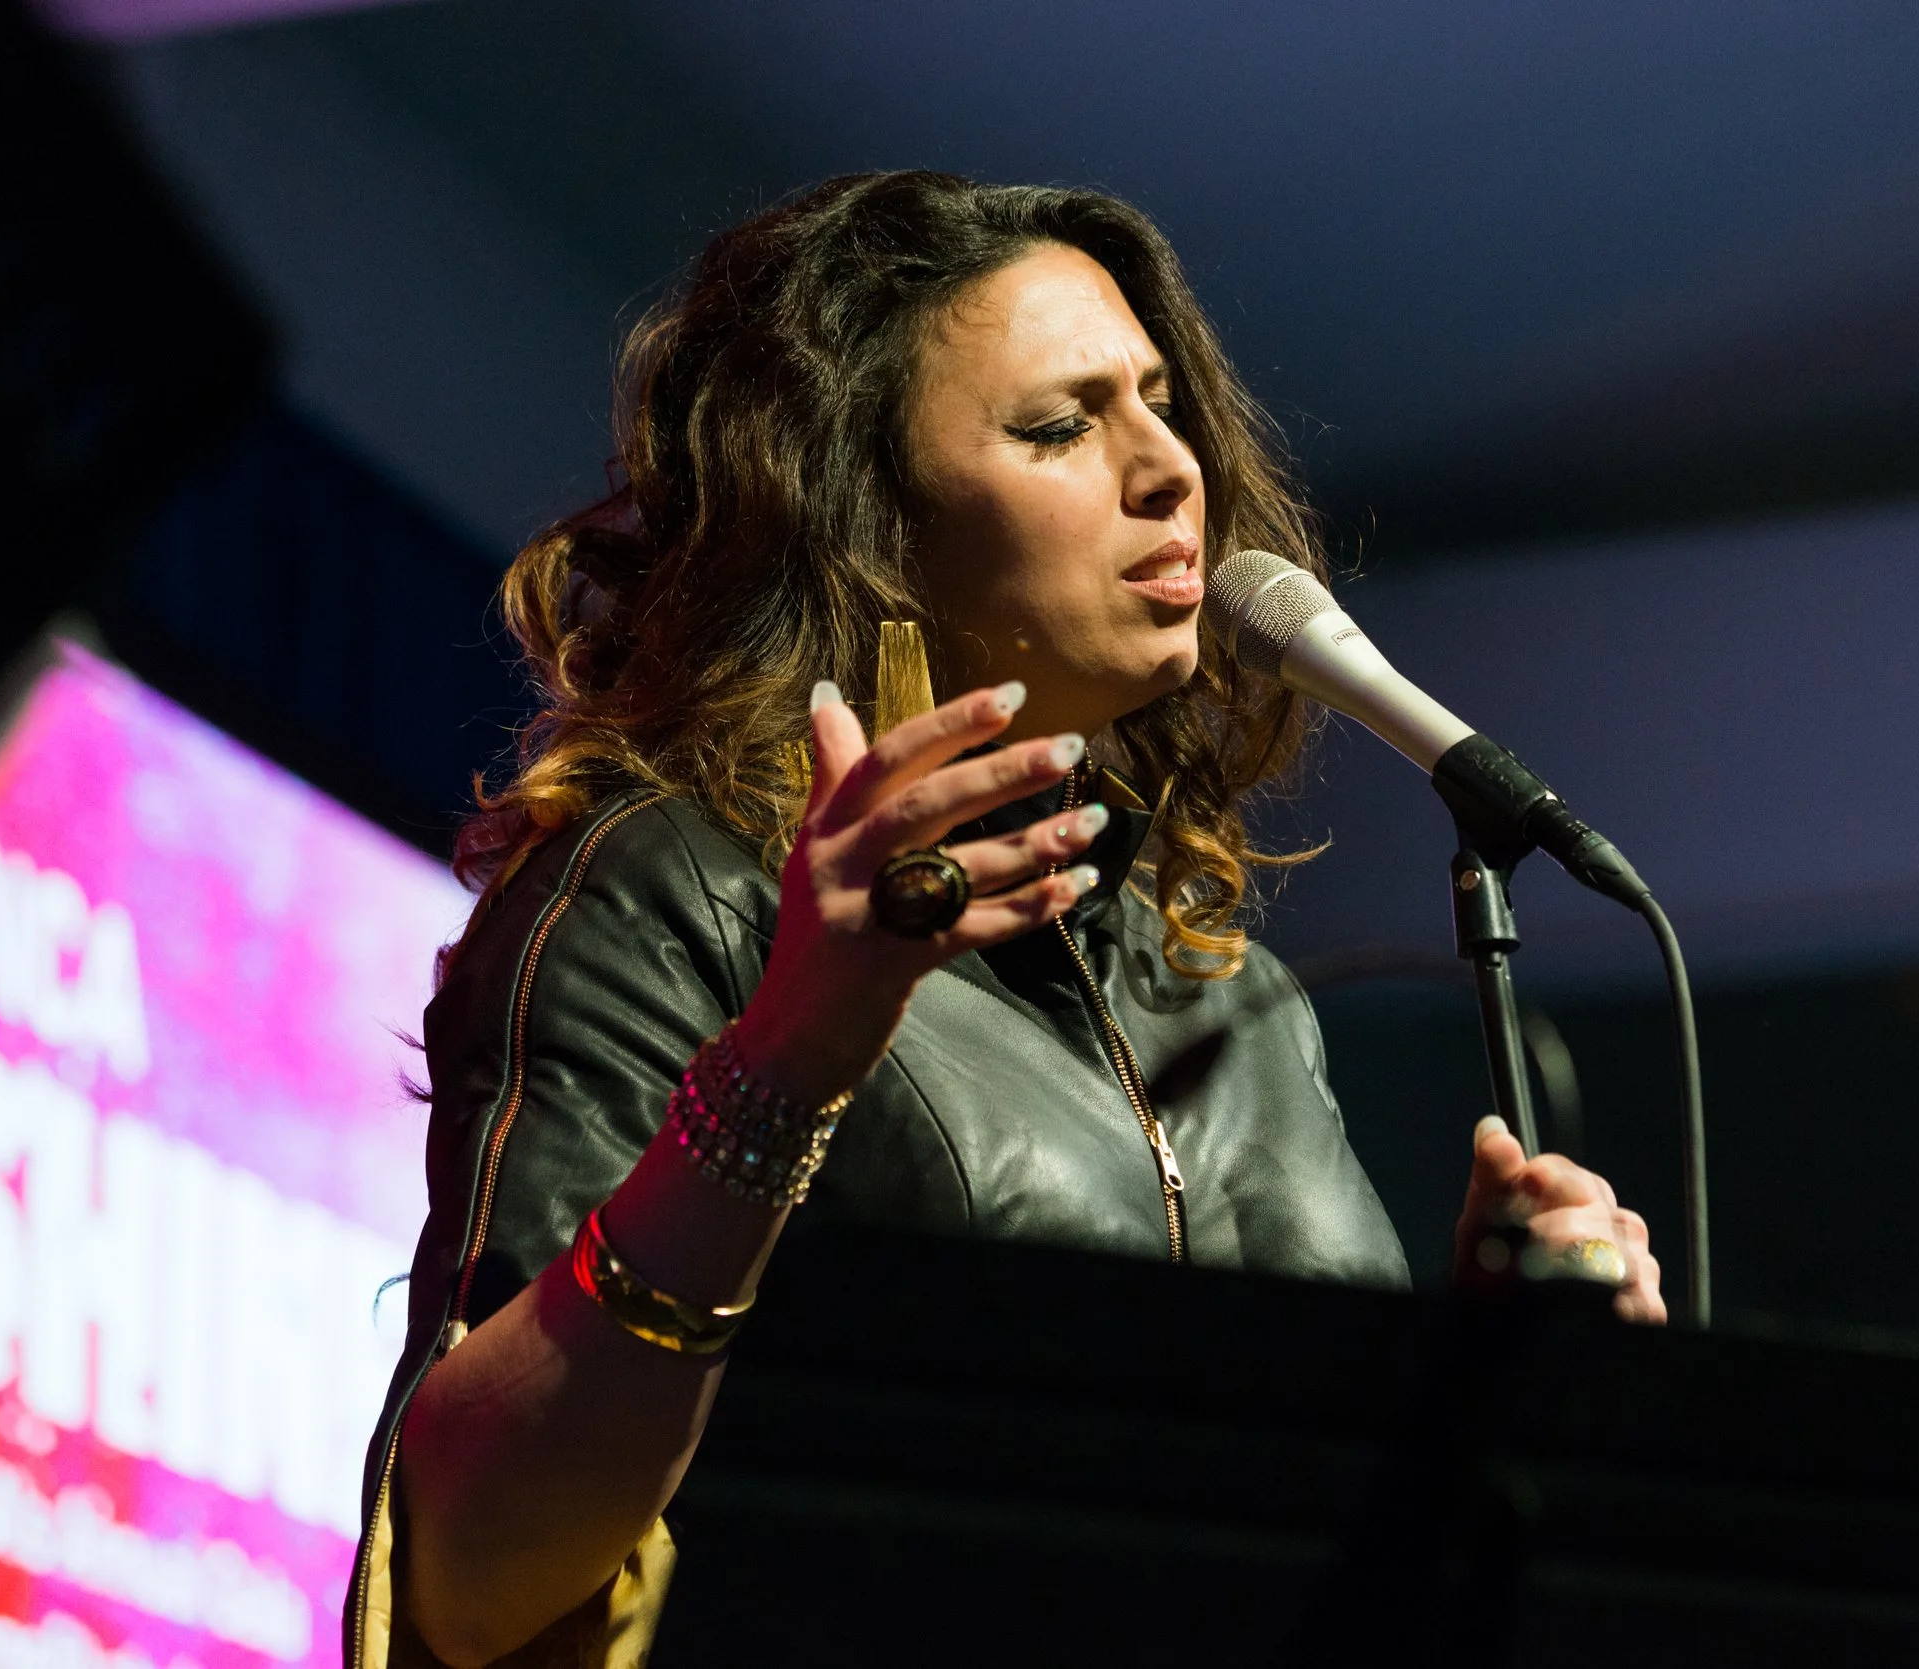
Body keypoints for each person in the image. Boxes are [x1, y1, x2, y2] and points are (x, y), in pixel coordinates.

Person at [351, 171, 1666, 1669]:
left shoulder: (1218, 989)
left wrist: (1492, 1386)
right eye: (1060, 425)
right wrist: (792, 1053)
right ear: (866, 524)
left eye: (1163, 403)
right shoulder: (677, 889)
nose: (1172, 467)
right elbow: (469, 1573)